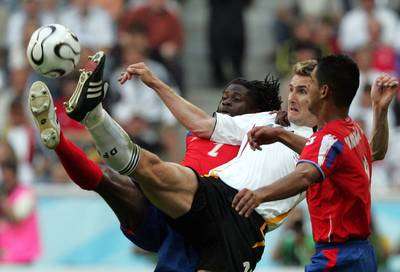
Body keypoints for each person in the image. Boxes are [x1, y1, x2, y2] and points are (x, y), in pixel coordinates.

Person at [28, 51, 281, 271]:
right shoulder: (200, 132)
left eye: (236, 99)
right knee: (107, 178)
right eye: (224, 95)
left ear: (259, 113)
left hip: (215, 223)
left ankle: (94, 115)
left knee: (145, 168)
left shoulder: (261, 139)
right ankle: (62, 136)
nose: (225, 100)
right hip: (174, 210)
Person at [232, 55, 398, 271]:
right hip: (360, 254)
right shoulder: (351, 129)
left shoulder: (328, 139)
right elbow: (375, 150)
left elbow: (305, 174)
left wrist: (259, 194)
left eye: (307, 88)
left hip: (337, 258)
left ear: (323, 91)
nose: (299, 95)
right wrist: (380, 108)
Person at [0, 142, 41, 264]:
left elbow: (16, 217)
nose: (5, 180)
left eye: (7, 176)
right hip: (6, 258)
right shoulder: (6, 195)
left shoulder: (26, 194)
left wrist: (2, 198)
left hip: (22, 258)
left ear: (14, 174)